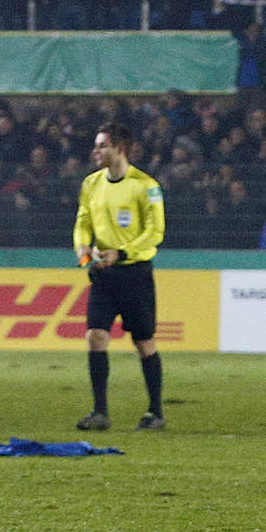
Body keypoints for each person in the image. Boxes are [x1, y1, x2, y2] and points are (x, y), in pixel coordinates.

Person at [73, 122, 166, 432]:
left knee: (144, 342)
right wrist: (83, 250)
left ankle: (155, 412)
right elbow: (83, 222)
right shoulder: (91, 184)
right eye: (96, 145)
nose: (96, 151)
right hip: (103, 275)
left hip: (135, 274)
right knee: (95, 336)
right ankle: (100, 413)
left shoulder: (145, 186)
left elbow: (155, 232)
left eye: (102, 146)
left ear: (120, 149)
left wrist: (122, 253)